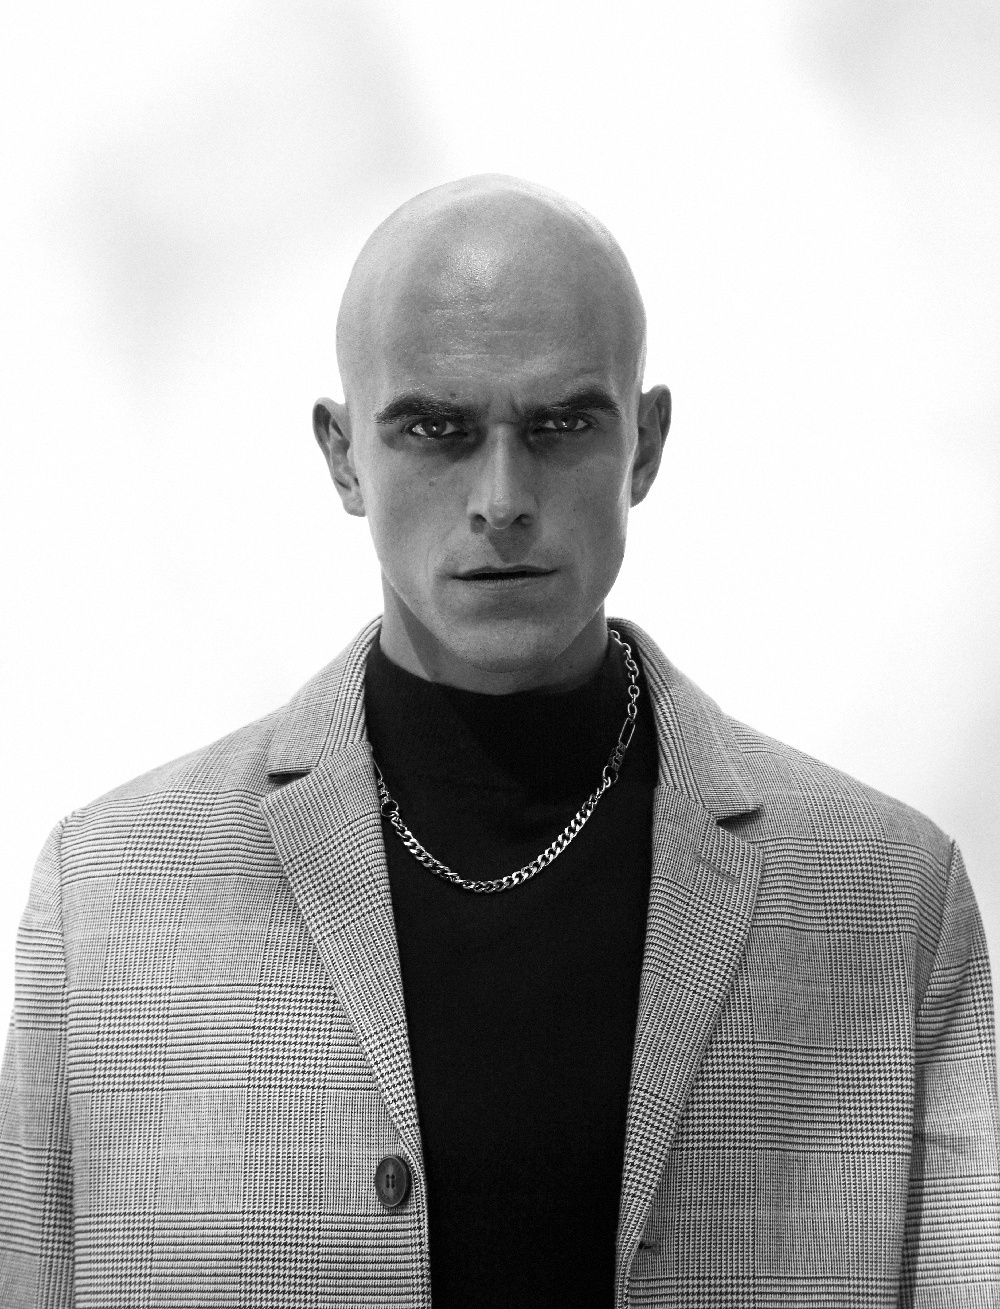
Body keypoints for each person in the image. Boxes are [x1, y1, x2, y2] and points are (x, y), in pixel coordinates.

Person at [1, 174, 997, 1308]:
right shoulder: (110, 891)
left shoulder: (888, 895)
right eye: (438, 429)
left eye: (561, 425)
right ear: (342, 456)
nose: (502, 497)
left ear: (644, 445)